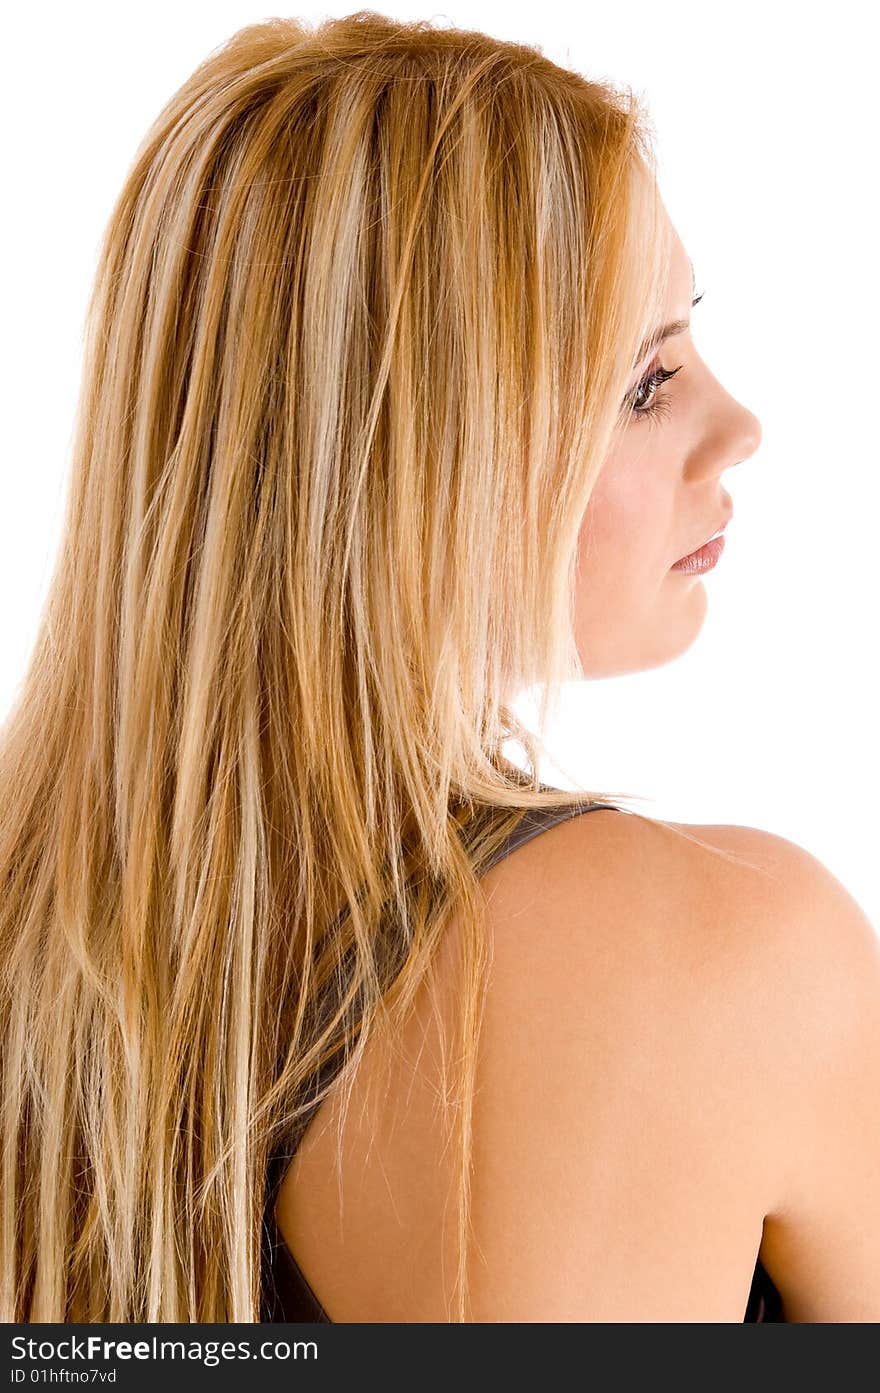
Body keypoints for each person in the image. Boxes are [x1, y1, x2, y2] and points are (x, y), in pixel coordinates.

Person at [1, 13, 878, 1325]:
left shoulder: (42, 972)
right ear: (406, 466)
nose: (737, 426)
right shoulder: (736, 949)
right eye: (646, 382)